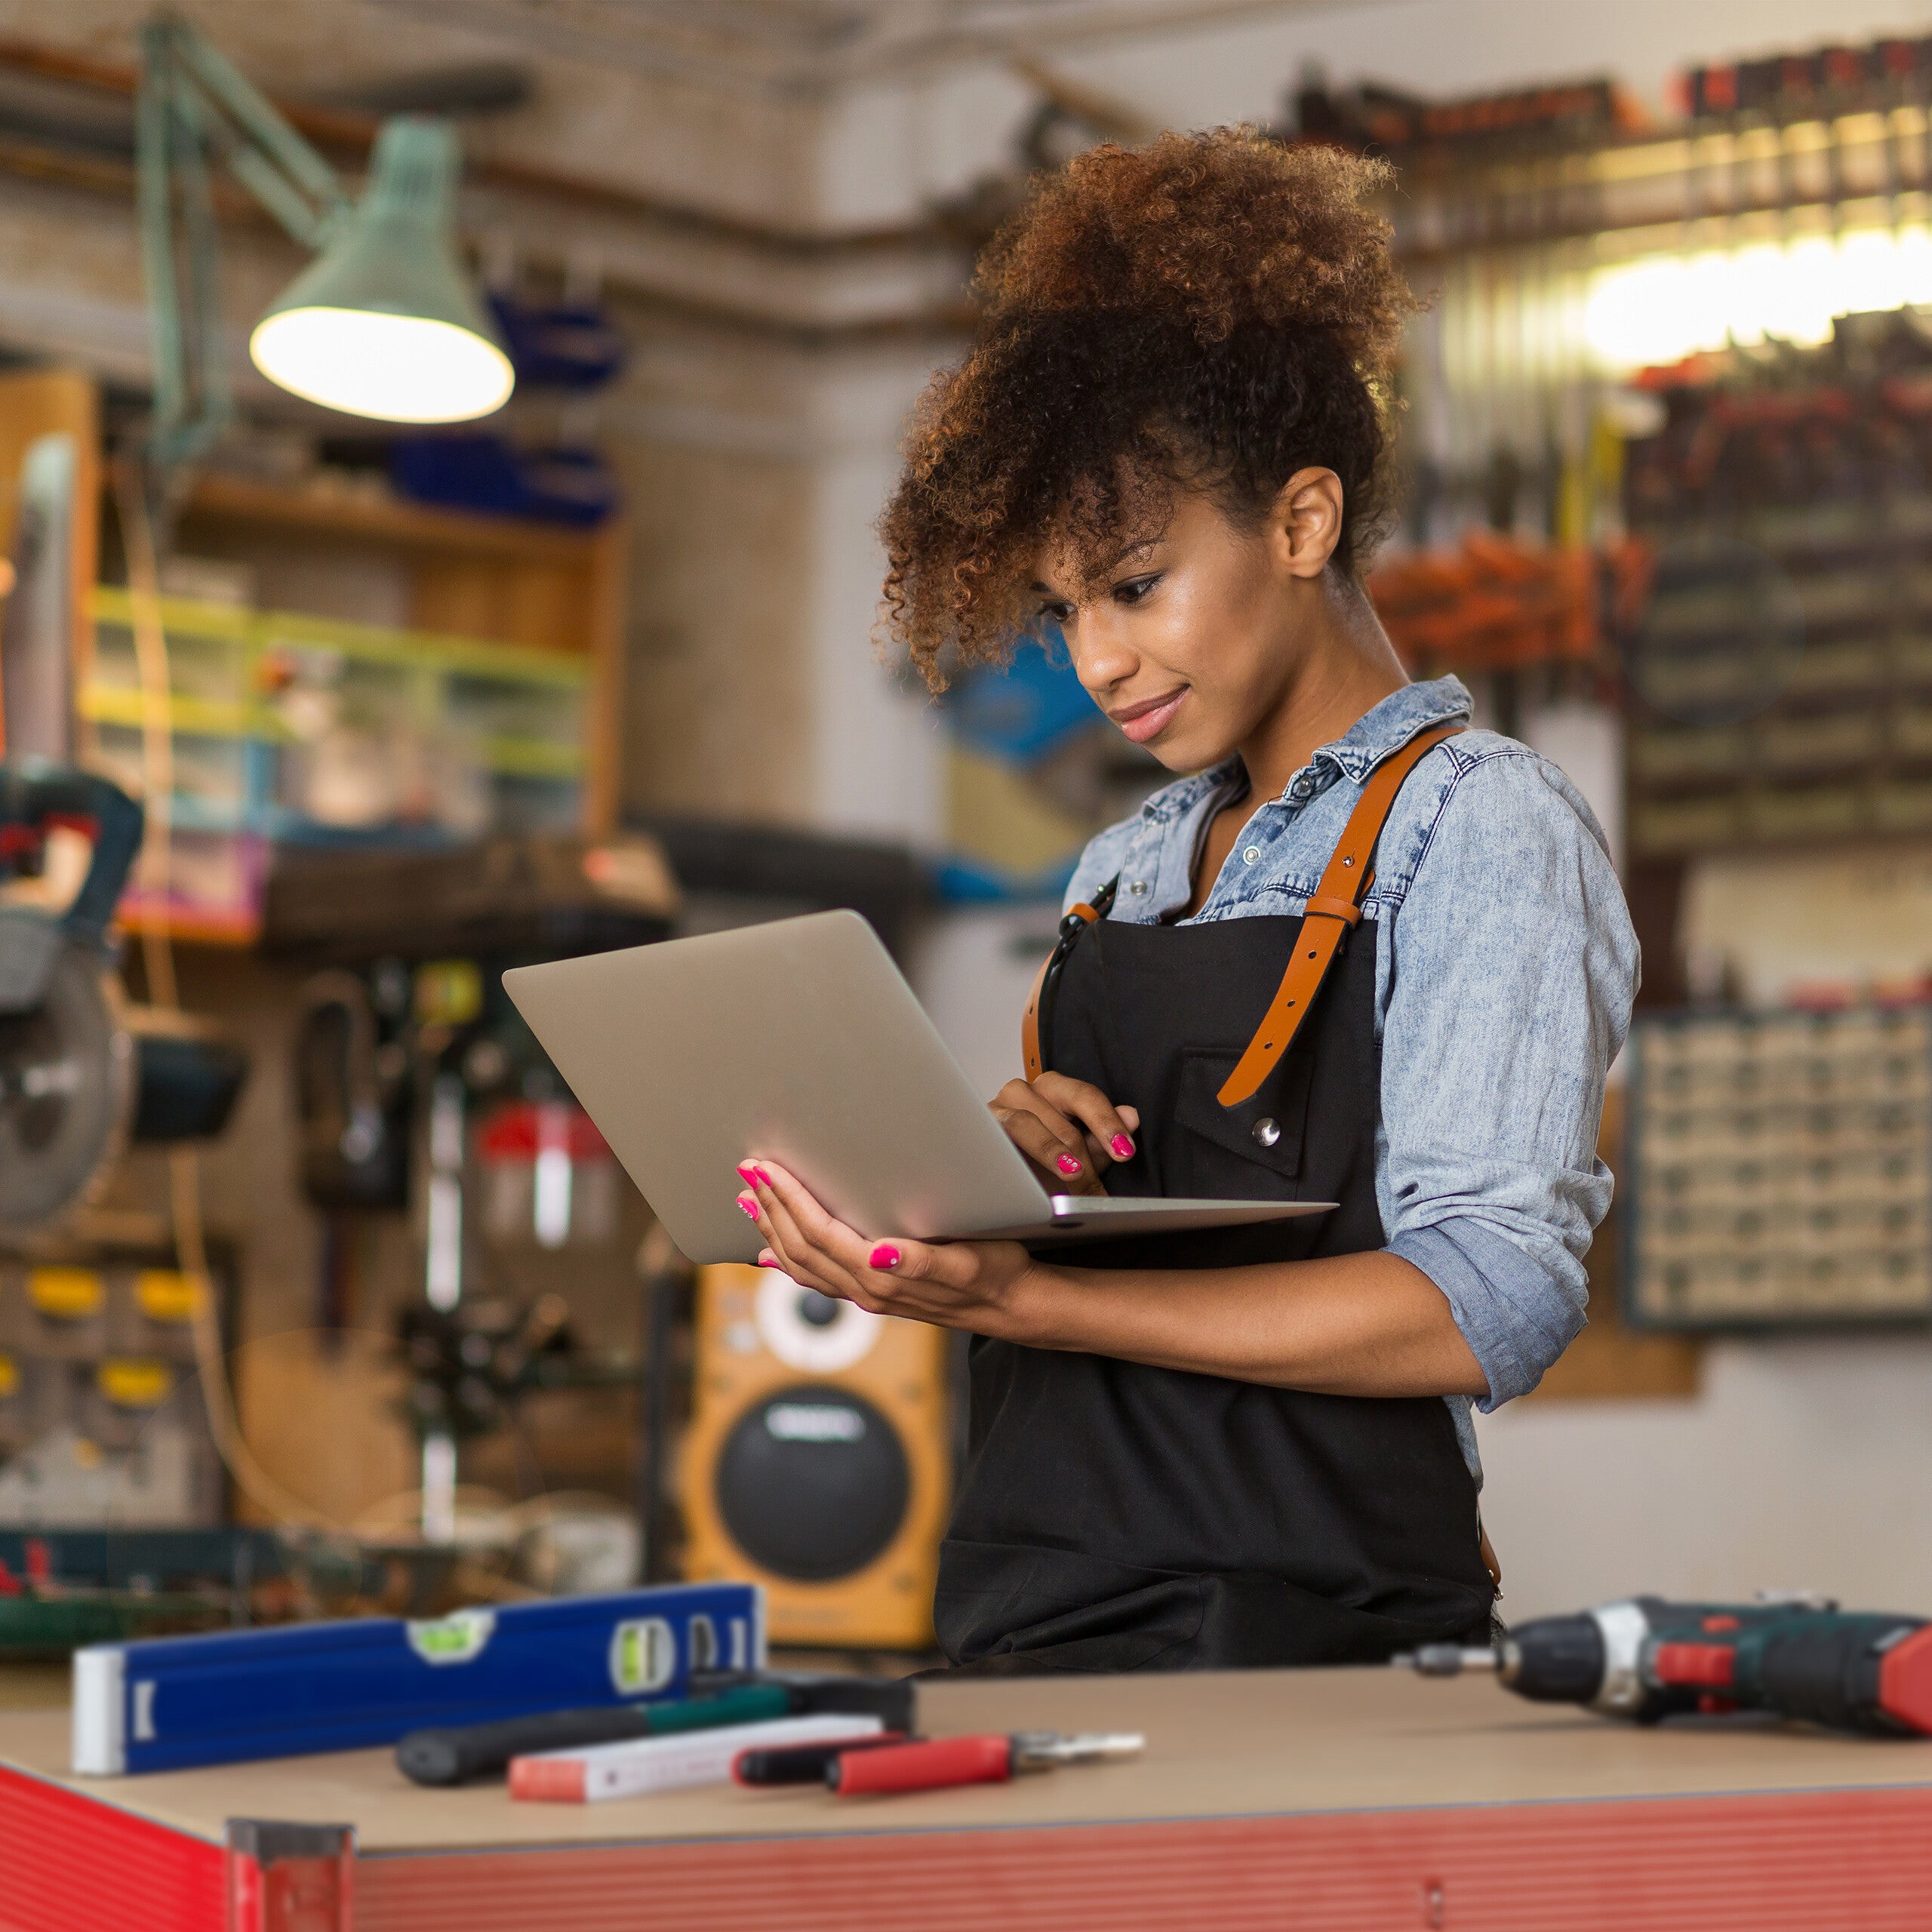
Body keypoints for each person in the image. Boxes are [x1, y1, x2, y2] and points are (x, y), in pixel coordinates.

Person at [734, 129, 1638, 1673]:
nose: (1094, 659)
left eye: (1133, 583)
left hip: (1304, 1646)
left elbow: (1483, 1303)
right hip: (1025, 1605)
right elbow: (1099, 1248)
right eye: (1062, 607)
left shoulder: (1473, 825)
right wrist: (1008, 1184)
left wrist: (1037, 1303)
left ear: (1298, 522)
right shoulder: (1123, 867)